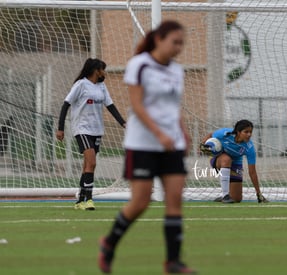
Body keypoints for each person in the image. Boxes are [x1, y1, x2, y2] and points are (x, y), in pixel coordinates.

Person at [98, 21, 196, 274]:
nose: (178, 47)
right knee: (141, 202)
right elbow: (137, 107)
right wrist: (159, 133)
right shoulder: (139, 65)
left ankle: (172, 262)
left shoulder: (176, 70)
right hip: (142, 144)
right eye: (175, 42)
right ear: (159, 39)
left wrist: (182, 134)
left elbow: (174, 107)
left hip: (170, 144)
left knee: (175, 200)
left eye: (181, 43)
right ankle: (109, 243)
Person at [56, 58, 126, 210]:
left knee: (88, 165)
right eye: (103, 69)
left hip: (97, 130)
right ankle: (88, 199)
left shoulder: (101, 87)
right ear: (96, 70)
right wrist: (60, 127)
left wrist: (123, 123)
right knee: (92, 162)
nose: (104, 72)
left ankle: (80, 201)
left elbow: (110, 106)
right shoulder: (81, 85)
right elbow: (66, 104)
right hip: (82, 129)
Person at [200, 119, 269, 203]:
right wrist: (202, 144)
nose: (249, 135)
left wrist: (258, 193)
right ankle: (225, 195)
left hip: (235, 163)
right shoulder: (224, 134)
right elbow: (211, 135)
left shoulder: (249, 148)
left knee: (236, 199)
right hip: (218, 159)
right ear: (238, 132)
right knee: (226, 159)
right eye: (246, 132)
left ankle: (223, 197)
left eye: (250, 132)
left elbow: (252, 172)